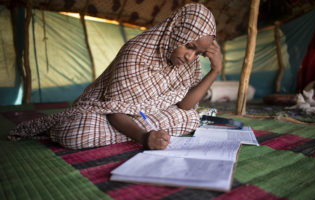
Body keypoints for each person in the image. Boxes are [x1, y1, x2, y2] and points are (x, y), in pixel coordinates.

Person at [8, 3, 222, 150]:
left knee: (190, 116)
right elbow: (114, 110)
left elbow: (185, 105)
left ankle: (139, 130)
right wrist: (146, 138)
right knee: (77, 131)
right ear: (176, 31)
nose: (190, 56)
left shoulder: (186, 64)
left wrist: (214, 71)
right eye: (189, 46)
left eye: (198, 53)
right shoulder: (136, 52)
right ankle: (142, 131)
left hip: (145, 115)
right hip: (106, 113)